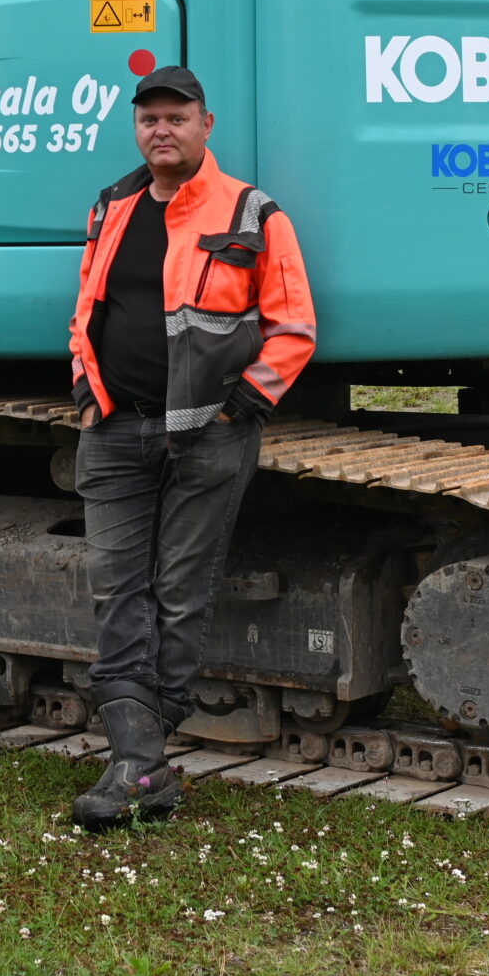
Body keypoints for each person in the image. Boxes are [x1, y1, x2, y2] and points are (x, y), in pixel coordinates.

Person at [65, 65, 316, 830]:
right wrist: (85, 389)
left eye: (176, 117)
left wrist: (241, 407)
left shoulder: (250, 211)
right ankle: (141, 760)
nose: (161, 130)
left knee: (180, 589)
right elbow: (86, 306)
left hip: (207, 432)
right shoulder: (112, 205)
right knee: (115, 588)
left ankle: (136, 757)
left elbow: (294, 323)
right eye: (149, 119)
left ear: (207, 124)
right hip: (114, 429)